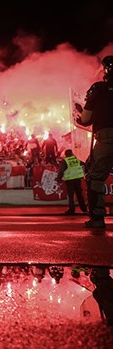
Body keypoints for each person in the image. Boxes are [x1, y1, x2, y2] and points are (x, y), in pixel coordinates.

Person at [76, 55, 113, 229]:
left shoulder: (99, 89)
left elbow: (85, 119)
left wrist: (79, 114)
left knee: (94, 177)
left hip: (107, 139)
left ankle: (97, 218)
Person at [55, 149, 88, 215]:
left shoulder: (65, 161)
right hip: (77, 179)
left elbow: (61, 171)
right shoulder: (76, 160)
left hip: (70, 180)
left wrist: (58, 179)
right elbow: (85, 164)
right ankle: (84, 209)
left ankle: (71, 209)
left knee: (71, 195)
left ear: (65, 154)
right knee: (79, 195)